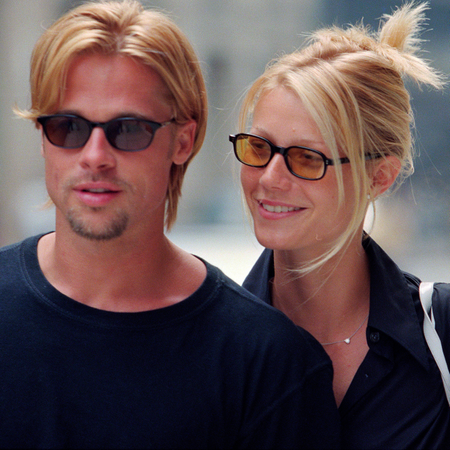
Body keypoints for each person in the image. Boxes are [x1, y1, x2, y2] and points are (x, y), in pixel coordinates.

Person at [0, 1, 341, 448]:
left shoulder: (267, 364)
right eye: (68, 127)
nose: (95, 155)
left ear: (183, 141)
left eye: (128, 129)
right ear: (43, 137)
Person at [230, 2, 450, 449]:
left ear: (379, 176)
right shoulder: (204, 342)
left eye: (307, 158)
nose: (269, 178)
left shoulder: (442, 334)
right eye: (258, 148)